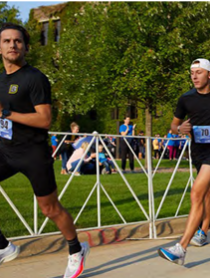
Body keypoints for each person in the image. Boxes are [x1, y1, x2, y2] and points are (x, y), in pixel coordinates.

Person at [0, 23, 89, 278]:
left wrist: (5, 113)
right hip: (5, 150)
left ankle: (76, 249)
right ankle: (4, 247)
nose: (12, 45)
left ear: (25, 47)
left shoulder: (35, 78)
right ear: (0, 47)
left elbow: (44, 120)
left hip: (33, 153)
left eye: (17, 41)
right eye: (6, 41)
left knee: (50, 209)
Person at [157, 58, 210, 265]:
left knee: (197, 191)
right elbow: (173, 125)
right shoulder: (185, 99)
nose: (194, 76)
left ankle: (181, 247)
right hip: (197, 153)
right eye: (192, 73)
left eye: (199, 72)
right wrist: (179, 130)